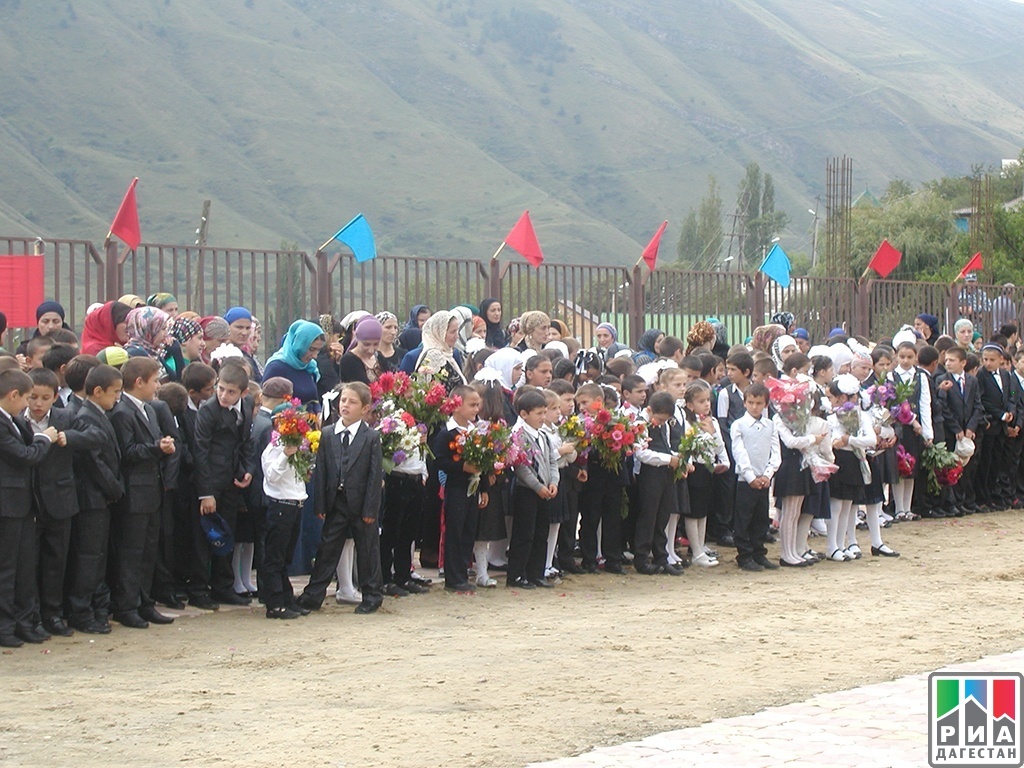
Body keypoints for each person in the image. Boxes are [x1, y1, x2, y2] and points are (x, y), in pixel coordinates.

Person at [296, 382, 384, 615]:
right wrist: (321, 504)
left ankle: (372, 595)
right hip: (336, 501)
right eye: (343, 400)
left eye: (352, 402)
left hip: (361, 502)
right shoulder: (327, 434)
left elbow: (375, 475)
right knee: (327, 549)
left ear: (365, 409)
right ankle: (313, 595)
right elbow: (322, 471)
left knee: (367, 551)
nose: (345, 405)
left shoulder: (371, 437)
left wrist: (370, 510)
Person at [22, 369, 96, 638]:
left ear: (55, 397)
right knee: (29, 564)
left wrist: (69, 438)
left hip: (61, 500)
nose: (37, 404)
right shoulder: (18, 419)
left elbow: (98, 435)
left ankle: (53, 614)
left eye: (44, 397)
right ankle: (31, 616)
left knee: (56, 560)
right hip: (28, 503)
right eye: (32, 397)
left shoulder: (66, 417)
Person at [108, 357, 177, 629]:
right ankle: (126, 605)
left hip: (151, 490)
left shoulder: (148, 409)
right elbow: (127, 452)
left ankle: (144, 601)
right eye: (155, 381)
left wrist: (164, 447)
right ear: (139, 382)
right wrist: (156, 448)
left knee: (149, 551)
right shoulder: (123, 411)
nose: (158, 386)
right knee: (131, 551)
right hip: (135, 493)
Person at [0, 369, 58, 647]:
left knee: (25, 567)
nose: (28, 404)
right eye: (26, 398)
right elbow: (24, 456)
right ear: (13, 395)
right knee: (7, 569)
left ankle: (24, 622)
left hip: (23, 505)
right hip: (7, 507)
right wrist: (44, 437)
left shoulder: (12, 420)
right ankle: (5, 626)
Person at [192, 363, 255, 608]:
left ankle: (223, 586)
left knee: (227, 534)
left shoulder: (246, 407)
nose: (223, 395)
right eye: (220, 389)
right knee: (203, 538)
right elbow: (200, 451)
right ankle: (199, 590)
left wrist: (248, 469)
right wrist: (205, 494)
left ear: (244, 393)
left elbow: (246, 442)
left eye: (230, 392)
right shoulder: (208, 411)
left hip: (232, 480)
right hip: (209, 481)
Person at [67, 365, 124, 634]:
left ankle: (96, 608)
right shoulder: (87, 417)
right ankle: (81, 610)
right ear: (98, 391)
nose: (117, 398)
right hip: (92, 498)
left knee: (98, 556)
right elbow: (94, 462)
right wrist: (114, 488)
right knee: (89, 556)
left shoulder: (99, 413)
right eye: (115, 392)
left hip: (101, 497)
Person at [432, 384, 485, 592]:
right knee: (454, 530)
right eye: (471, 405)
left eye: (477, 405)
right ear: (456, 405)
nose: (475, 409)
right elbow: (439, 461)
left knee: (468, 530)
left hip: (473, 488)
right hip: (455, 488)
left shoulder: (476, 431)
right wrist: (462, 466)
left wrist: (485, 490)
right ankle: (453, 577)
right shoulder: (447, 433)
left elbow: (485, 463)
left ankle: (463, 571)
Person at [260, 397, 309, 620]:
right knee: (275, 557)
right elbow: (271, 476)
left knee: (285, 558)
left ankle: (286, 598)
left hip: (295, 505)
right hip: (280, 505)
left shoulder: (296, 446)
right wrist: (284, 456)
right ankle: (275, 603)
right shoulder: (274, 448)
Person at [507, 388, 559, 589]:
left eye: (544, 413)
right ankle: (517, 575)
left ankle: (536, 573)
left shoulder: (543, 435)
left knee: (540, 534)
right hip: (526, 491)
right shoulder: (518, 435)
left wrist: (553, 482)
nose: (543, 417)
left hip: (545, 491)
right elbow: (522, 467)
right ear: (523, 414)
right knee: (524, 534)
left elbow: (552, 461)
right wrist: (537, 486)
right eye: (539, 413)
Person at [729, 383, 780, 572]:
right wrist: (750, 476)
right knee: (744, 519)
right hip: (746, 480)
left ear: (766, 404)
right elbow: (739, 452)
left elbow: (775, 453)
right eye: (751, 402)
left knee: (760, 518)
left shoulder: (770, 425)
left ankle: (759, 553)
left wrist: (767, 474)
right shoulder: (739, 425)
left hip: (764, 478)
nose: (754, 407)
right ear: (744, 403)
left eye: (759, 403)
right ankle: (744, 555)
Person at [633, 391, 684, 576]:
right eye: (659, 419)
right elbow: (642, 453)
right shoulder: (640, 424)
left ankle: (661, 557)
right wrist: (667, 459)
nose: (661, 423)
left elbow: (667, 444)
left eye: (664, 421)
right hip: (649, 474)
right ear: (649, 410)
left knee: (663, 515)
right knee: (648, 516)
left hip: (665, 473)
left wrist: (679, 458)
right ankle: (641, 558)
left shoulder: (664, 425)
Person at [681, 380, 729, 567]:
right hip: (695, 470)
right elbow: (690, 447)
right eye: (701, 401)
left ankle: (700, 547)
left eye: (708, 400)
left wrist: (713, 432)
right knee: (694, 513)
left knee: (704, 512)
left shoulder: (712, 421)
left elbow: (719, 448)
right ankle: (696, 551)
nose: (707, 404)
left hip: (708, 469)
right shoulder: (688, 423)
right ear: (690, 405)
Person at [262, 320, 325, 405]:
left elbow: (313, 398)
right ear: (299, 345)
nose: (315, 356)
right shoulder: (276, 367)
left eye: (318, 350)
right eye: (311, 349)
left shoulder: (310, 367)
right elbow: (267, 403)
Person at [414, 310, 468, 393]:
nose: (457, 336)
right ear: (439, 333)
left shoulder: (447, 354)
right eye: (452, 332)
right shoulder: (434, 356)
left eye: (457, 331)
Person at [124, 306, 175, 381]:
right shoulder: (136, 353)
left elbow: (174, 378)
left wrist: (176, 352)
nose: (166, 334)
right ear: (148, 329)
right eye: (163, 329)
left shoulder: (152, 351)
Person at [337, 316, 387, 384]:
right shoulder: (349, 360)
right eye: (366, 344)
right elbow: (362, 388)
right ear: (358, 340)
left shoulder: (379, 357)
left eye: (376, 344)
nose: (371, 350)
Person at [224, 307, 262, 379]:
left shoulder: (247, 357)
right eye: (239, 327)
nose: (244, 333)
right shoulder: (220, 354)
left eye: (248, 328)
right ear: (227, 326)